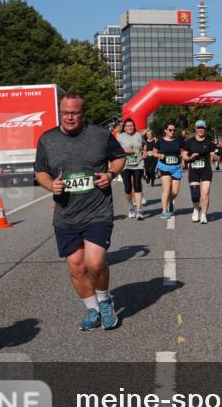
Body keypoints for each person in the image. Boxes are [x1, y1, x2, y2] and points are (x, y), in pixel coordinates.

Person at [34, 93, 126, 330]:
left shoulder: (100, 135)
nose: (69, 117)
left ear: (83, 113)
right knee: (76, 266)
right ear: (60, 113)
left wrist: (110, 174)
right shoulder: (47, 139)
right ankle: (92, 309)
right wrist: (49, 185)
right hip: (66, 214)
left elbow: (119, 158)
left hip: (98, 210)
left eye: (74, 112)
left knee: (94, 263)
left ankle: (105, 301)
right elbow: (40, 171)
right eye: (65, 112)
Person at [183, 119, 216, 223]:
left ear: (205, 129)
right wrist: (190, 157)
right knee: (195, 194)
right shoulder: (189, 142)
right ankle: (196, 209)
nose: (201, 130)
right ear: (195, 129)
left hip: (206, 169)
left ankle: (204, 215)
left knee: (205, 194)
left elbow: (213, 155)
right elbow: (184, 155)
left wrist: (215, 156)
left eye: (202, 128)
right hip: (193, 170)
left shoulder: (209, 142)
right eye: (199, 128)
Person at [152, 123, 183, 219]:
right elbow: (154, 152)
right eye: (170, 130)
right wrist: (159, 155)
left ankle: (170, 202)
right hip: (164, 167)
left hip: (176, 168)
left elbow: (182, 153)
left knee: (175, 192)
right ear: (165, 130)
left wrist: (185, 162)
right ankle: (164, 211)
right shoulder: (160, 142)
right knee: (166, 190)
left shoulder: (178, 141)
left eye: (174, 130)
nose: (172, 132)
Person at [117, 119, 145, 220]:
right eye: (128, 126)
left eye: (132, 125)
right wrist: (124, 150)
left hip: (138, 163)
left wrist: (144, 151)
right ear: (124, 127)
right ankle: (131, 207)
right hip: (125, 164)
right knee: (128, 188)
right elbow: (115, 149)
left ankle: (139, 210)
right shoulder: (120, 137)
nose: (130, 127)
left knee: (137, 185)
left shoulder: (139, 135)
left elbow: (144, 145)